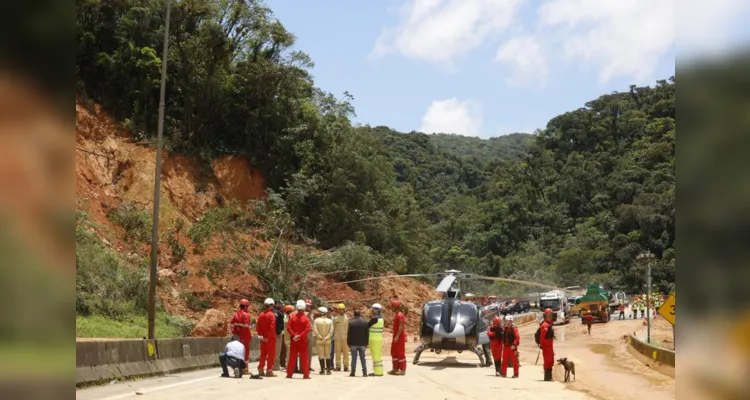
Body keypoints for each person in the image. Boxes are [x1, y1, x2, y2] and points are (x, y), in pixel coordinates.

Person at [286, 300, 312, 379]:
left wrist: (294, 335)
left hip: (294, 340)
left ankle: (289, 374)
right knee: (304, 358)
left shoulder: (292, 317)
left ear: (297, 307)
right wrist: (300, 336)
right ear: (304, 308)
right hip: (302, 341)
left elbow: (288, 328)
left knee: (292, 358)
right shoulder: (306, 319)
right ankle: (306, 375)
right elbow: (307, 329)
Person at [230, 299, 252, 372]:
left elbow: (231, 324)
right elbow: (246, 326)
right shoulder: (247, 315)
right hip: (245, 336)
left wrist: (235, 332)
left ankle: (237, 367)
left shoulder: (236, 314)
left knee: (237, 351)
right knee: (245, 352)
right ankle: (245, 368)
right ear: (246, 307)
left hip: (237, 336)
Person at [257, 298, 277, 377]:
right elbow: (272, 327)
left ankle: (261, 369)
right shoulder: (271, 315)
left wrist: (262, 336)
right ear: (271, 305)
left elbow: (258, 327)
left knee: (263, 354)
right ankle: (269, 370)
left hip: (262, 338)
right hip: (270, 338)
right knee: (271, 354)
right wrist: (268, 337)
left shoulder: (261, 314)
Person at [347, 309, 369, 377]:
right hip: (362, 344)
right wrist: (366, 343)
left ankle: (353, 372)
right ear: (360, 314)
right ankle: (364, 373)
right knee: (363, 358)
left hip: (353, 344)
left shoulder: (351, 323)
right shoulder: (365, 323)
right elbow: (367, 334)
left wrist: (349, 343)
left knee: (354, 358)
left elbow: (349, 334)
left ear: (354, 314)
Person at [388, 300, 407, 376]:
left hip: (399, 337)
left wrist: (397, 336)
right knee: (394, 352)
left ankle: (402, 370)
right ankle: (395, 368)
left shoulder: (400, 315)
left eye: (392, 306)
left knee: (400, 353)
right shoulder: (397, 315)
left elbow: (401, 326)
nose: (391, 308)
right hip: (396, 336)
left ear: (395, 307)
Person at [313, 306, 333, 375]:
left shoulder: (316, 320)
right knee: (328, 355)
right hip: (327, 340)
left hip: (319, 340)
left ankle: (322, 370)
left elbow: (315, 330)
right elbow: (331, 331)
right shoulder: (330, 321)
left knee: (321, 355)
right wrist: (326, 338)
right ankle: (328, 371)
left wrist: (321, 337)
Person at [539, 308, 556, 381]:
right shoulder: (545, 325)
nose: (550, 317)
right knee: (548, 361)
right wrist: (541, 345)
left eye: (551, 315)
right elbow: (542, 336)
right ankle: (547, 376)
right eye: (549, 315)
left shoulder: (549, 324)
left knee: (551, 361)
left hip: (549, 346)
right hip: (546, 346)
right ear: (546, 316)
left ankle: (550, 376)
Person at [368, 303, 384, 376]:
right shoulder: (381, 318)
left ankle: (377, 372)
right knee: (378, 355)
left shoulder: (375, 319)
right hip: (378, 338)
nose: (372, 310)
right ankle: (380, 371)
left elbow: (367, 325)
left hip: (373, 339)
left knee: (375, 355)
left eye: (373, 309)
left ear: (376, 310)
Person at [333, 303, 350, 372]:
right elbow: (333, 328)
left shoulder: (347, 319)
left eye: (342, 309)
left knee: (346, 353)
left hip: (345, 338)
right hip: (337, 338)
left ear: (344, 310)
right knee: (337, 352)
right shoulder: (335, 319)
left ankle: (346, 366)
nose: (341, 311)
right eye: (340, 310)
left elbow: (349, 328)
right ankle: (338, 366)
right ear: (338, 310)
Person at [272, 300, 285, 372]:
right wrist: (279, 331)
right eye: (279, 304)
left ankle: (274, 364)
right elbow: (276, 323)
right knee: (277, 350)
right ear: (276, 304)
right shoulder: (276, 312)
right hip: (277, 333)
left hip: (273, 333)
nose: (281, 305)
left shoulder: (273, 311)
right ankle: (276, 366)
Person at [281, 304, 294, 370]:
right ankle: (289, 365)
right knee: (289, 351)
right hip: (288, 337)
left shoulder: (287, 316)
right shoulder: (286, 318)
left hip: (288, 336)